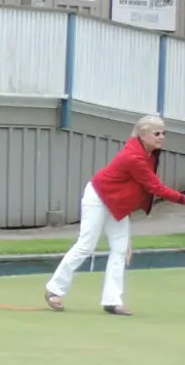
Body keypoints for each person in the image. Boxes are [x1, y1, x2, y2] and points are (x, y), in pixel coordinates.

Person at [45, 115, 185, 314]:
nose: (162, 137)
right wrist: (182, 199)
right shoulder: (134, 157)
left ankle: (112, 300)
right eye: (157, 133)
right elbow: (155, 187)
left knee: (120, 249)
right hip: (98, 197)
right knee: (86, 245)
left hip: (117, 204)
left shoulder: (150, 154)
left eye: (164, 133)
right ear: (143, 135)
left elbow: (132, 190)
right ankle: (53, 290)